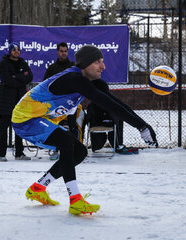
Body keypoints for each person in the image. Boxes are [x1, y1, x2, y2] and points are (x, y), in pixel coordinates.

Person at [11, 45, 158, 215]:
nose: (103, 67)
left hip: (40, 119)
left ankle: (38, 187)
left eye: (103, 62)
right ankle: (75, 200)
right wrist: (140, 126)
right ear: (85, 64)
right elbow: (105, 102)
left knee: (79, 152)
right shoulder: (73, 78)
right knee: (66, 142)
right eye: (98, 62)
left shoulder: (88, 82)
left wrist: (143, 125)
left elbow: (115, 102)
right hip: (25, 119)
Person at [0, 42, 33, 162]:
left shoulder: (23, 63)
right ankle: (1, 153)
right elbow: (7, 80)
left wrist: (15, 76)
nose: (16, 51)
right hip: (6, 102)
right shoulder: (3, 64)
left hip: (20, 102)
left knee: (19, 128)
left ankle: (19, 153)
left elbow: (30, 77)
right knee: (3, 130)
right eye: (14, 49)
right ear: (10, 51)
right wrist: (21, 77)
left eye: (18, 49)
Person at [87, 79, 139, 154]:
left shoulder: (91, 104)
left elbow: (88, 118)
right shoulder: (109, 102)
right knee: (119, 117)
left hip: (95, 125)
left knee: (117, 118)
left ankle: (113, 144)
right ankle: (118, 144)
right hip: (109, 124)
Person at [43, 42, 76, 160]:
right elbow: (45, 85)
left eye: (65, 51)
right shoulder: (52, 68)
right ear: (57, 52)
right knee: (56, 126)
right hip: (56, 102)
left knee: (73, 126)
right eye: (61, 51)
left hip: (71, 102)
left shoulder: (73, 67)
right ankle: (55, 150)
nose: (63, 53)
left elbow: (80, 82)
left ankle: (74, 150)